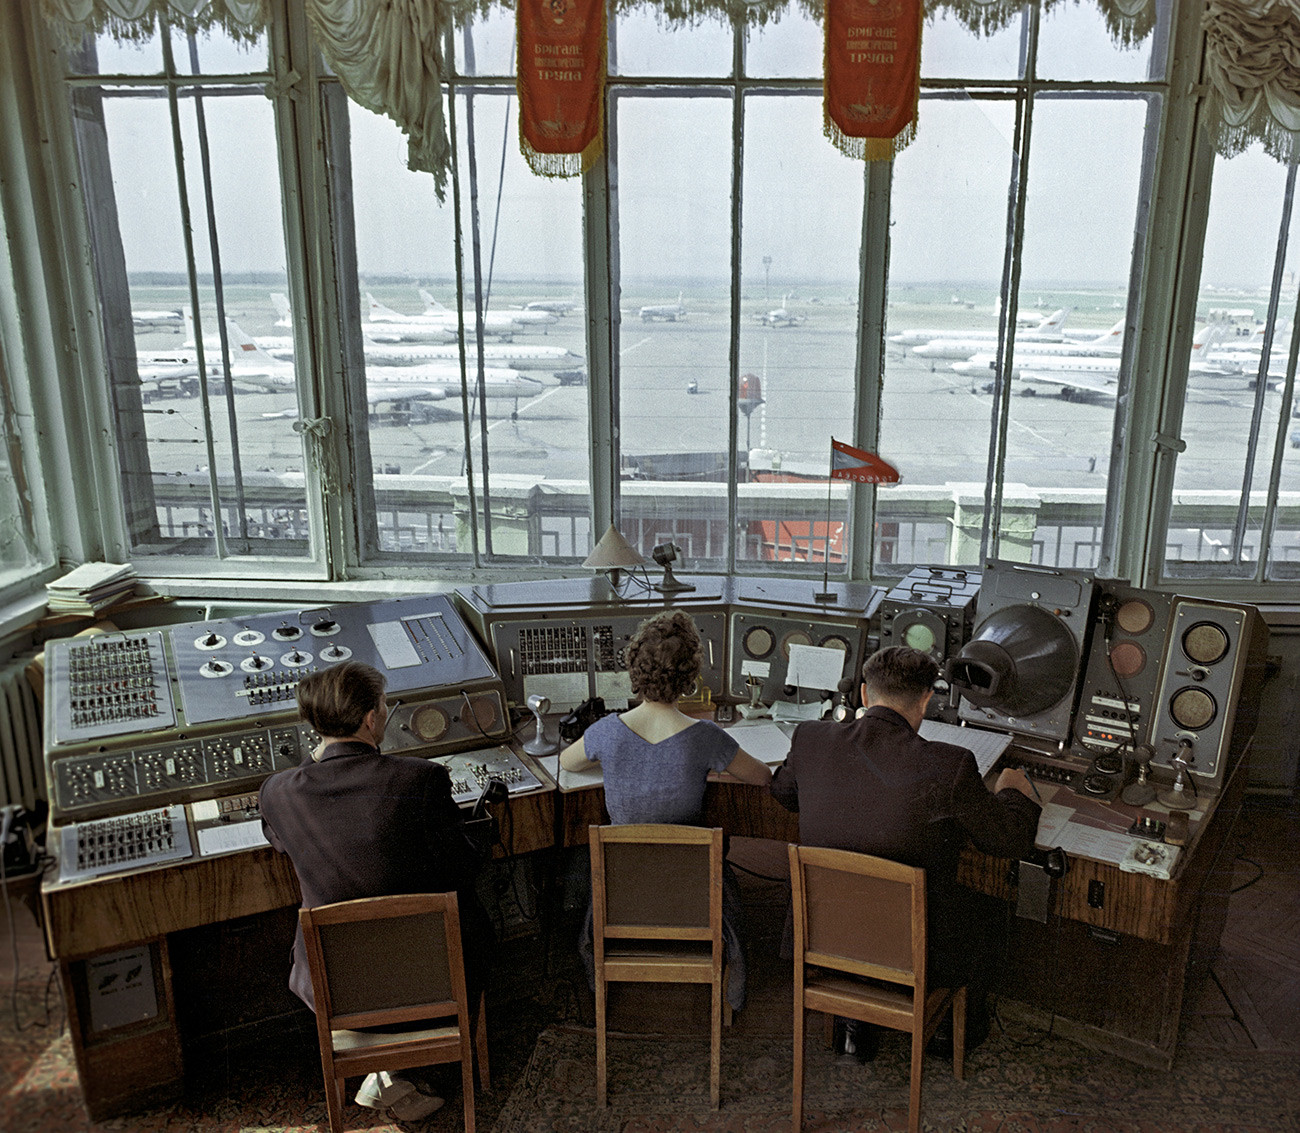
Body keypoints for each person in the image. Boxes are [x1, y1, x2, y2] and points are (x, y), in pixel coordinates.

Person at [771, 645, 1041, 1059]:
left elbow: (785, 794)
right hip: (915, 951)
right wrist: (1013, 794)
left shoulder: (810, 738)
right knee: (989, 906)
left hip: (822, 940)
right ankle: (948, 1033)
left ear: (863, 694)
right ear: (926, 700)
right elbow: (1009, 841)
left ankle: (853, 1027)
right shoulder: (950, 764)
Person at [259, 661, 495, 1122]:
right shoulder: (420, 779)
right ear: (371, 718)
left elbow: (283, 842)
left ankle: (382, 1073)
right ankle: (406, 1072)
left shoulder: (278, 793)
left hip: (336, 994)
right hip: (436, 985)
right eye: (384, 706)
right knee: (470, 916)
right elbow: (462, 867)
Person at [560, 608, 772, 1008]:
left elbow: (567, 762)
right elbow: (762, 776)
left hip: (623, 892)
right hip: (693, 891)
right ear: (690, 678)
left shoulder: (606, 732)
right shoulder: (706, 737)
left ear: (634, 673)